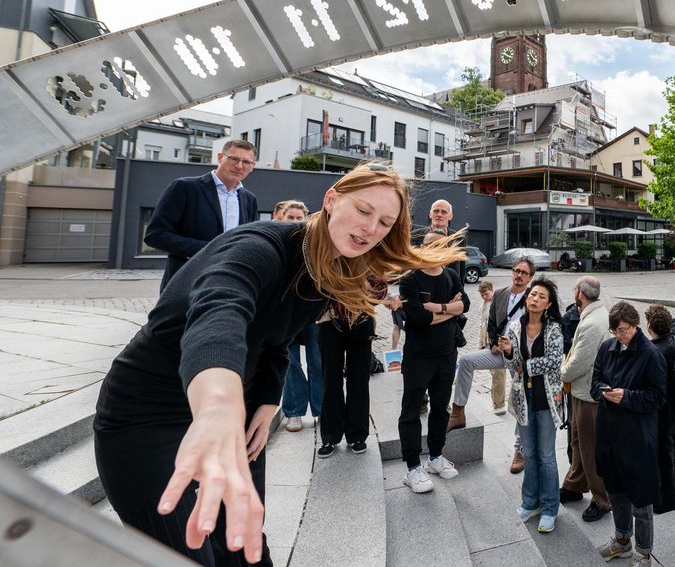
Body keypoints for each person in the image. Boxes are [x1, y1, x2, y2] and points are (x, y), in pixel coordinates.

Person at [93, 160, 462, 565]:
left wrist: (268, 396)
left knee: (247, 549)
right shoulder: (261, 245)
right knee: (187, 554)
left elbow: (275, 335)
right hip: (147, 415)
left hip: (239, 413)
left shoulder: (334, 266)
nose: (371, 229)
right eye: (363, 211)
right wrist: (217, 407)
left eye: (385, 222)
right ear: (331, 199)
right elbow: (220, 313)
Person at [396, 232, 470, 493]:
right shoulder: (410, 278)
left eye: (443, 245)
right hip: (418, 355)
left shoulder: (451, 275)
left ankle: (435, 457)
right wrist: (449, 309)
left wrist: (435, 308)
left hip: (447, 353)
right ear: (422, 247)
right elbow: (416, 318)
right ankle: (413, 467)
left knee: (441, 408)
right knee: (411, 410)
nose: (437, 248)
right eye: (432, 244)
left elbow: (466, 304)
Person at [593, 301, 666, 567]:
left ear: (635, 325)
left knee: (641, 501)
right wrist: (602, 390)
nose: (619, 336)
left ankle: (643, 553)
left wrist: (627, 397)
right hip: (609, 433)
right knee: (615, 492)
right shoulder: (607, 347)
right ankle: (622, 541)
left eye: (623, 330)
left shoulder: (651, 354)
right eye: (615, 331)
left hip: (637, 438)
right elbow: (595, 381)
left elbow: (658, 397)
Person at [447, 258, 533, 473]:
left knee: (522, 398)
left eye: (524, 272)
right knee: (466, 361)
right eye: (516, 270)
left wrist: (519, 352)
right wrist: (495, 343)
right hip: (499, 352)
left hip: (522, 358)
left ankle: (519, 449)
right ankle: (458, 412)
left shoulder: (534, 297)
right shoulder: (502, 294)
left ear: (530, 277)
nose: (519, 275)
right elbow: (493, 322)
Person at [144, 140, 260, 290]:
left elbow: (250, 241)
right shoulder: (184, 188)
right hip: (186, 284)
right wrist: (209, 250)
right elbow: (155, 235)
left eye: (246, 162)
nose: (239, 166)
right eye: (234, 159)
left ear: (252, 167)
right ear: (220, 158)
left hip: (229, 284)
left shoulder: (249, 199)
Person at [498, 275, 565, 534]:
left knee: (546, 456)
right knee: (529, 453)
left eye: (541, 296)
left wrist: (523, 366)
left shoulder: (554, 328)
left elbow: (553, 361)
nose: (535, 299)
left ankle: (549, 508)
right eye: (533, 294)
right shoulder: (516, 326)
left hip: (546, 400)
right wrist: (508, 352)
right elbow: (511, 367)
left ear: (548, 304)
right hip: (522, 399)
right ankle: (530, 502)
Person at [316, 275, 393, 457]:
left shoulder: (368, 255)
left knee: (358, 378)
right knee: (330, 379)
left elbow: (381, 289)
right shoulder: (328, 252)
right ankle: (330, 436)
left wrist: (362, 284)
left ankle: (357, 435)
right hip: (329, 320)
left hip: (361, 319)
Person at [558, 276, 610, 522]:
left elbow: (579, 362)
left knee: (589, 448)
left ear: (579, 293)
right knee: (579, 442)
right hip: (582, 391)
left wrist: (561, 371)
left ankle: (602, 500)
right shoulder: (594, 313)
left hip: (588, 394)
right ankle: (574, 485)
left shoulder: (592, 321)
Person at [273, 200, 321, 433]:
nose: (295, 222)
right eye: (290, 217)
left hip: (312, 311)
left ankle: (321, 409)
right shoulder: (273, 244)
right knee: (290, 362)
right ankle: (294, 412)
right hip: (284, 313)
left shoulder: (313, 245)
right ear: (279, 218)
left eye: (299, 218)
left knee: (318, 361)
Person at [644, 304, 675, 515]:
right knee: (669, 456)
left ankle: (667, 504)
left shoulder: (655, 351)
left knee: (664, 461)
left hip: (662, 416)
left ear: (649, 326)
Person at [474, 280, 506, 412]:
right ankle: (496, 401)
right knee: (494, 373)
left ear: (492, 290)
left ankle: (499, 404)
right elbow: (482, 325)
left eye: (486, 294)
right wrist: (481, 343)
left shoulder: (498, 303)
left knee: (498, 374)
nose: (484, 297)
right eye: (482, 295)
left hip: (498, 343)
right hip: (488, 343)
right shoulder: (483, 305)